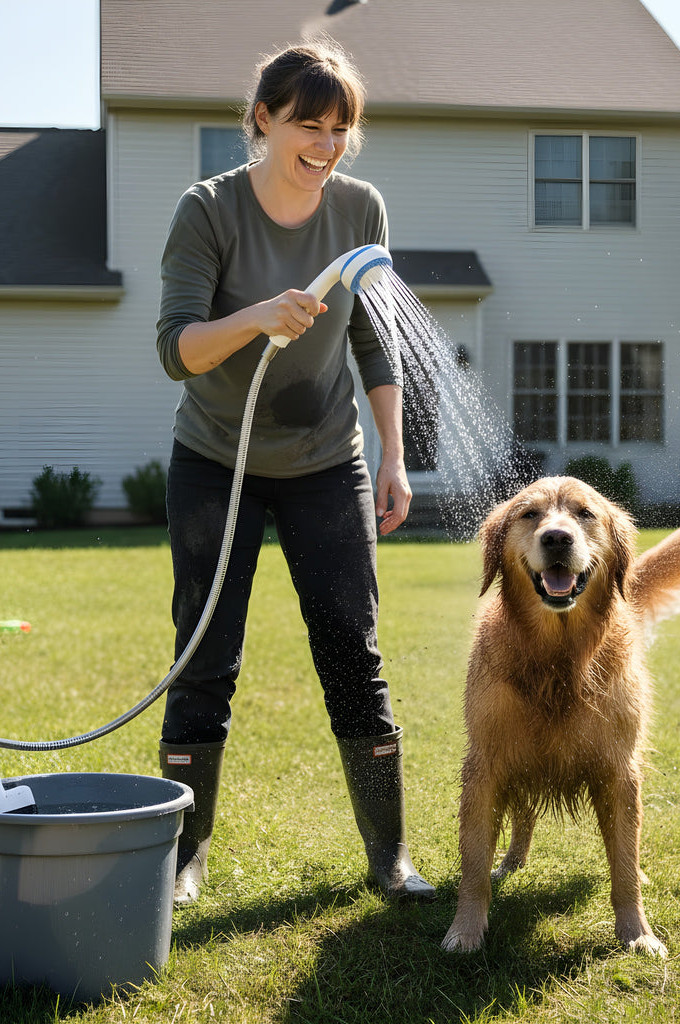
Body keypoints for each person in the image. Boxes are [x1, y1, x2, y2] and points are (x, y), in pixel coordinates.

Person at [155, 38, 434, 905]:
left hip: (327, 464)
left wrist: (393, 453)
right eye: (308, 124)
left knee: (354, 651)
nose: (325, 144)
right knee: (206, 658)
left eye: (340, 129)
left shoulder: (360, 209)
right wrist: (260, 315)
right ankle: (185, 853)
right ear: (263, 120)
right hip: (216, 463)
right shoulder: (208, 211)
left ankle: (388, 857)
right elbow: (178, 351)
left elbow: (372, 334)